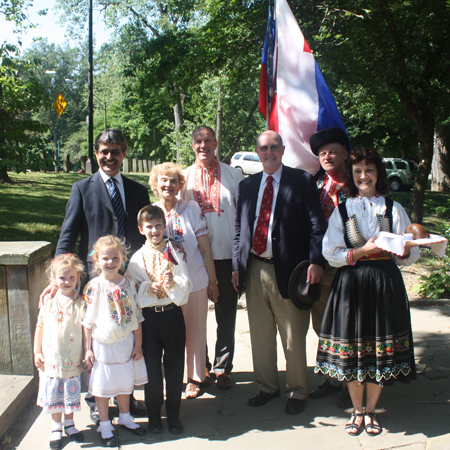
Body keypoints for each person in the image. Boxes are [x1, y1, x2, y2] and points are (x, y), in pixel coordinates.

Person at [315, 147, 420, 436]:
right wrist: (363, 251)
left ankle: (371, 411)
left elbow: (408, 255)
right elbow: (331, 252)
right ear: (351, 175)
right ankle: (356, 411)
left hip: (385, 283)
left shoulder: (393, 208)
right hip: (352, 285)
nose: (364, 176)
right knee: (353, 349)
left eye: (369, 170)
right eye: (358, 171)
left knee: (378, 350)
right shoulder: (343, 210)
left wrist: (407, 248)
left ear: (378, 174)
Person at [47, 128, 150, 421]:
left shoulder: (138, 190)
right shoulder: (82, 188)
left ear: (124, 154)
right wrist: (58, 278)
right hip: (95, 283)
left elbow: (145, 234)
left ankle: (126, 397)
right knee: (96, 342)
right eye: (104, 151)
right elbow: (68, 235)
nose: (109, 157)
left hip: (128, 281)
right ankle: (97, 400)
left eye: (115, 151)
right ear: (96, 154)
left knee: (126, 340)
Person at [232, 130, 326, 415]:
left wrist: (316, 261)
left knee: (293, 334)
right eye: (263, 148)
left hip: (291, 271)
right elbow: (239, 230)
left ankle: (298, 390)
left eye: (274, 147)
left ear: (283, 150)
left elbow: (316, 225)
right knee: (260, 334)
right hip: (255, 268)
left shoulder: (301, 181)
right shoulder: (247, 186)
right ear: (257, 152)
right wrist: (237, 266)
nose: (269, 152)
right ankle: (267, 387)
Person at [150, 162, 219, 399]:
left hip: (195, 281)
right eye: (163, 180)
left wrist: (213, 281)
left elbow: (205, 248)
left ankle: (195, 378)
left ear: (180, 185)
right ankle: (172, 377)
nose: (168, 184)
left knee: (195, 332)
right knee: (169, 334)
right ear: (155, 184)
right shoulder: (151, 211)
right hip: (165, 286)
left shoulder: (190, 208)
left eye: (173, 180)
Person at [182, 125, 244, 390]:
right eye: (198, 141)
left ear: (216, 142)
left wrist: (240, 260)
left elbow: (243, 217)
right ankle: (200, 368)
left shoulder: (234, 175)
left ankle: (223, 368)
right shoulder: (183, 178)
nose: (203, 145)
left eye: (207, 140)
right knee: (195, 317)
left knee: (226, 314)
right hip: (193, 258)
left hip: (227, 255)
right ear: (192, 145)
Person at [126, 205, 193, 435]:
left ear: (165, 227)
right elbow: (131, 288)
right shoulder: (136, 258)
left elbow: (186, 284)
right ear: (140, 229)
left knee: (174, 368)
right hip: (149, 321)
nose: (154, 230)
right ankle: (154, 416)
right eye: (149, 227)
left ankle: (173, 416)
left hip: (172, 316)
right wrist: (147, 287)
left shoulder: (174, 252)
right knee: (152, 371)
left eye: (158, 226)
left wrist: (171, 282)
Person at [83, 235, 148, 447]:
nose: (110, 262)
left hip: (125, 343)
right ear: (96, 261)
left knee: (123, 383)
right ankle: (104, 423)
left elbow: (137, 317)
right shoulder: (93, 287)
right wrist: (87, 349)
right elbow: (87, 321)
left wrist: (138, 344)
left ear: (122, 258)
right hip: (102, 345)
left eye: (115, 257)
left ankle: (125, 416)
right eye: (105, 258)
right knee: (103, 384)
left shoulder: (130, 284)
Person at [308, 127, 352, 407]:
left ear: (345, 154)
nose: (327, 156)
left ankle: (353, 383)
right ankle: (332, 377)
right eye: (322, 153)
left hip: (349, 264)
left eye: (333, 151)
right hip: (321, 264)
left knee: (348, 325)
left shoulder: (356, 183)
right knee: (322, 324)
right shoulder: (315, 183)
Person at [34, 254, 86, 449]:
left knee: (70, 393)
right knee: (55, 393)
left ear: (78, 278)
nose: (67, 282)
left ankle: (69, 423)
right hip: (51, 359)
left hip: (72, 358)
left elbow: (85, 330)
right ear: (54, 279)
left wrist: (86, 350)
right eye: (62, 278)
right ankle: (56, 426)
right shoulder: (48, 302)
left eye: (72, 278)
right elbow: (39, 326)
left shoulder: (80, 303)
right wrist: (36, 352)